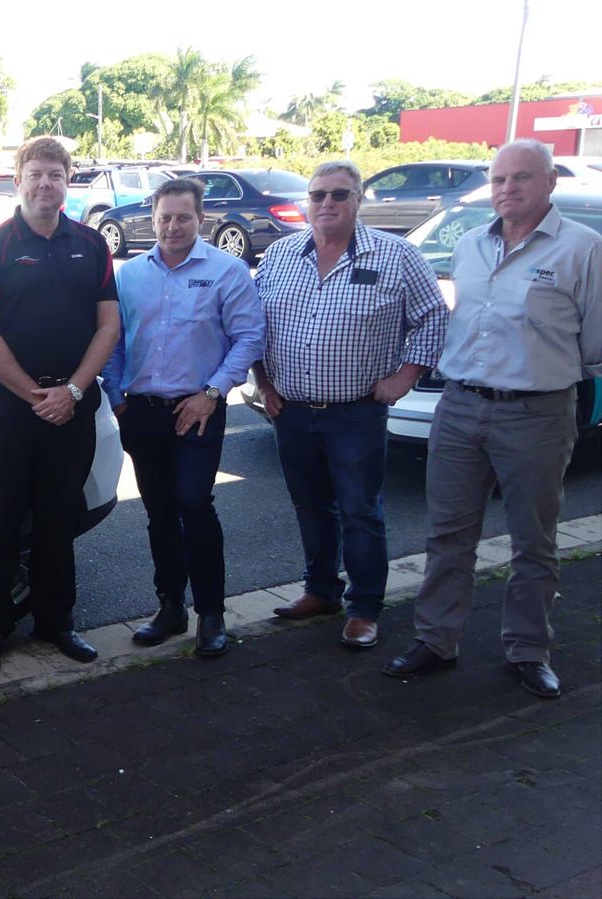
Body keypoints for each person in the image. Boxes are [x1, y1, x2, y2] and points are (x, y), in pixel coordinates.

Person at [385, 140, 602, 697]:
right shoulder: (469, 246)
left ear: (550, 182)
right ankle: (437, 640)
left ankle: (529, 650)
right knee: (448, 536)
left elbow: (597, 344)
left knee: (534, 540)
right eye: (500, 178)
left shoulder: (583, 250)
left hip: (536, 414)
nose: (508, 188)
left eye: (522, 177)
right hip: (459, 408)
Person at [252, 160, 449, 649]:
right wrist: (264, 384)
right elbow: (251, 324)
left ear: (359, 199)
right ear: (308, 202)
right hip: (292, 411)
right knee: (310, 507)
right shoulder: (279, 255)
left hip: (355, 412)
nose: (327, 204)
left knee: (360, 511)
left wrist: (405, 376)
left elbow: (433, 318)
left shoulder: (396, 255)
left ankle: (365, 608)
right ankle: (321, 591)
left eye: (339, 195)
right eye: (318, 195)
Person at [0, 135, 122, 677]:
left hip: (72, 404)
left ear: (67, 181)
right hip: (10, 409)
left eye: (56, 174)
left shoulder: (92, 245)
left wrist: (73, 391)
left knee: (59, 518)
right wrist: (36, 396)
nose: (46, 183)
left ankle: (56, 622)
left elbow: (109, 325)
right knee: (1, 519)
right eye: (36, 173)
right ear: (18, 181)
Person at [101, 177, 264, 657]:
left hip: (198, 409)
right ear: (152, 220)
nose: (173, 226)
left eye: (183, 217)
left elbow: (249, 339)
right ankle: (171, 606)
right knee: (158, 513)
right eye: (165, 218)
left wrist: (212, 393)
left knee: (194, 504)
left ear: (201, 219)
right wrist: (116, 396)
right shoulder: (128, 275)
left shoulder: (227, 271)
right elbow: (112, 339)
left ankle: (211, 613)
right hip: (141, 412)